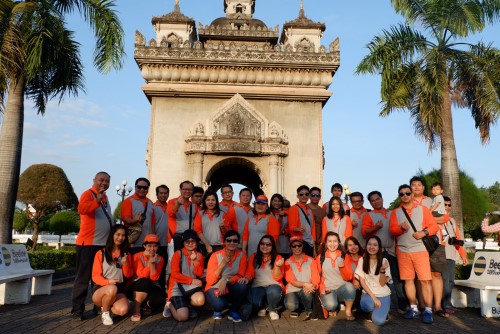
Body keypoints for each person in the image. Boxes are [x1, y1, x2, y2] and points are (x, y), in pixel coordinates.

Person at [389, 184, 439, 324]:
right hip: (403, 250)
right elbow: (392, 230)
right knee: (408, 280)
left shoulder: (422, 209)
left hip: (420, 250)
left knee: (425, 280)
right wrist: (400, 228)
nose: (405, 195)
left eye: (407, 193)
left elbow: (434, 226)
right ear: (399, 196)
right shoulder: (395, 212)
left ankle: (428, 310)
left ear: (411, 194)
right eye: (402, 194)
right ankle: (413, 307)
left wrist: (424, 233)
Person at [71, 171, 114, 320]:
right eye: (101, 180)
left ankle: (98, 306)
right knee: (83, 278)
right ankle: (77, 310)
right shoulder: (88, 194)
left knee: (99, 278)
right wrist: (97, 200)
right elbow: (82, 209)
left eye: (107, 181)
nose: (104, 183)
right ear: (94, 180)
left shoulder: (106, 198)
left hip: (102, 246)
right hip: (88, 244)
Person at [362, 191, 406, 313]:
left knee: (397, 277)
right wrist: (375, 228)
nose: (376, 202)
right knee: (380, 278)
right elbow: (364, 232)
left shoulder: (392, 213)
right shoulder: (368, 215)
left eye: (377, 199)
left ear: (382, 199)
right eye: (373, 200)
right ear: (370, 203)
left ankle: (402, 305)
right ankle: (382, 306)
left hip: (394, 250)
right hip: (378, 252)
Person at [92, 225, 133, 325]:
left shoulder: (126, 254)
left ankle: (106, 307)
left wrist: (125, 264)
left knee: (123, 310)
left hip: (119, 290)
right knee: (112, 288)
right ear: (112, 235)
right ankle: (105, 313)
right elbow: (95, 276)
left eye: (123, 235)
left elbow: (128, 275)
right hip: (101, 290)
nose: (120, 238)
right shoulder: (101, 253)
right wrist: (108, 282)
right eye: (118, 234)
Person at [205, 230, 248, 322]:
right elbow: (210, 280)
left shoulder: (242, 255)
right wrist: (222, 263)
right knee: (220, 305)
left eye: (235, 241)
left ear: (238, 242)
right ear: (224, 242)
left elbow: (240, 274)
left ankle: (233, 311)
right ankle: (218, 309)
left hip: (230, 284)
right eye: (229, 240)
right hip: (214, 286)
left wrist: (226, 280)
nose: (232, 243)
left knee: (242, 286)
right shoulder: (215, 255)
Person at [165, 229, 205, 322]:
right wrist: (192, 280)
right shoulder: (177, 254)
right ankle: (169, 304)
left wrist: (195, 260)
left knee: (200, 300)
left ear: (196, 242)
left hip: (190, 287)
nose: (190, 243)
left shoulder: (199, 255)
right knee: (182, 317)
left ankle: (187, 305)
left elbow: (199, 273)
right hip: (177, 287)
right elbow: (174, 274)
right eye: (187, 241)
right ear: (183, 243)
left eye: (193, 241)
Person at [317, 232, 356, 320]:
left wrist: (342, 268)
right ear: (326, 243)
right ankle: (335, 305)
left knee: (350, 287)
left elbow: (349, 277)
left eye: (335, 241)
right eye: (329, 241)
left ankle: (348, 310)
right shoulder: (320, 258)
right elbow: (317, 276)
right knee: (331, 306)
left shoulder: (344, 256)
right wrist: (321, 288)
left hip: (342, 287)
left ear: (339, 243)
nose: (332, 244)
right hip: (328, 289)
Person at [244, 235, 284, 320]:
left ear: (272, 246)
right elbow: (249, 273)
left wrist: (277, 266)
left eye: (268, 244)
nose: (265, 246)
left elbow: (278, 278)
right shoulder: (253, 257)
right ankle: (263, 307)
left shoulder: (278, 257)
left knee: (274, 291)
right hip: (258, 286)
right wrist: (246, 278)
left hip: (273, 285)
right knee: (255, 303)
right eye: (262, 243)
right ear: (259, 245)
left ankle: (272, 309)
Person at [355, 236, 391, 326]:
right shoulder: (362, 260)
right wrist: (374, 298)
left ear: (379, 248)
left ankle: (383, 311)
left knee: (378, 321)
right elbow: (362, 282)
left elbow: (383, 284)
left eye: (375, 245)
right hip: (369, 293)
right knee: (366, 305)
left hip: (383, 294)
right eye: (369, 244)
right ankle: (374, 310)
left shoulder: (384, 261)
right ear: (366, 246)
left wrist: (382, 270)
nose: (372, 247)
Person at [129, 234, 166, 321]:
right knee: (145, 281)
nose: (152, 249)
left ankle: (146, 304)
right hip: (137, 286)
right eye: (149, 246)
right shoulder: (137, 256)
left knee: (160, 300)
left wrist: (153, 264)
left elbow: (154, 278)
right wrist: (150, 262)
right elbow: (142, 275)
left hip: (152, 284)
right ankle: (136, 310)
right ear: (144, 246)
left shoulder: (160, 259)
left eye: (155, 246)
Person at [442, 196, 468, 314]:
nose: (447, 207)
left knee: (451, 281)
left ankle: (448, 304)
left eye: (449, 205)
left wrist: (463, 255)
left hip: (451, 255)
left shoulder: (452, 221)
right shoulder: (436, 219)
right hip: (441, 254)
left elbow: (458, 239)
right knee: (445, 281)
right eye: (444, 204)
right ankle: (445, 305)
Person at [284, 236, 320, 319]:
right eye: (294, 246)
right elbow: (292, 281)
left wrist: (312, 285)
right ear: (290, 247)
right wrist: (305, 284)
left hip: (307, 289)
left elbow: (315, 278)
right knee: (291, 306)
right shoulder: (287, 262)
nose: (297, 248)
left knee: (307, 293)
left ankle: (308, 309)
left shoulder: (311, 260)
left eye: (299, 245)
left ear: (302, 246)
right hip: (292, 290)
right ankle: (296, 308)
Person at [195, 190, 231, 263]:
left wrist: (223, 227)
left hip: (219, 246)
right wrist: (207, 245)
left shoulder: (222, 214)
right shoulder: (200, 214)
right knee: (204, 268)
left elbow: (227, 233)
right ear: (204, 201)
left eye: (213, 200)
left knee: (218, 268)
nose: (210, 202)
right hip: (204, 246)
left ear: (216, 201)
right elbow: (198, 231)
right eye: (208, 200)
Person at [121, 177, 155, 252]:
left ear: (148, 189)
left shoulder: (150, 203)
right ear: (135, 187)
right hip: (133, 244)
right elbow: (126, 219)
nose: (142, 189)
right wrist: (134, 220)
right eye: (139, 187)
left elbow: (152, 224)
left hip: (148, 245)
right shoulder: (128, 201)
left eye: (145, 188)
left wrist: (153, 239)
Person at [167, 181, 200, 252]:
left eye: (190, 189)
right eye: (185, 189)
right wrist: (178, 204)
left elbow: (196, 224)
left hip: (190, 238)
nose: (187, 191)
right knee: (175, 260)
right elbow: (170, 214)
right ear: (180, 190)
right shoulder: (172, 202)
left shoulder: (194, 205)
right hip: (176, 237)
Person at [288, 185, 316, 257]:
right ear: (298, 196)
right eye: (301, 194)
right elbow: (291, 228)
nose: (304, 196)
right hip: (299, 243)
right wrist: (297, 229)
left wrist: (314, 249)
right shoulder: (293, 208)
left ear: (309, 196)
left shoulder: (310, 210)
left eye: (306, 194)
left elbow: (313, 230)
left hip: (310, 244)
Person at [153, 184, 169, 290]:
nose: (163, 195)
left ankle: (162, 290)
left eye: (165, 193)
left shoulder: (171, 207)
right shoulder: (152, 208)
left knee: (164, 269)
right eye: (161, 193)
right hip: (156, 244)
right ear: (157, 194)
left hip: (168, 244)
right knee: (155, 268)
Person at [270, 193, 290, 259]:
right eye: (275, 201)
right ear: (271, 202)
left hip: (284, 243)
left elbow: (291, 226)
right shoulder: (268, 213)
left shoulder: (287, 213)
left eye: (279, 201)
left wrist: (285, 232)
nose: (277, 203)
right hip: (271, 243)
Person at [308, 187, 327, 253]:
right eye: (313, 195)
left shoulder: (323, 211)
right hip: (306, 242)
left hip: (318, 244)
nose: (315, 197)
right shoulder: (304, 209)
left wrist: (321, 243)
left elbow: (325, 229)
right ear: (309, 196)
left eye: (317, 195)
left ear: (320, 197)